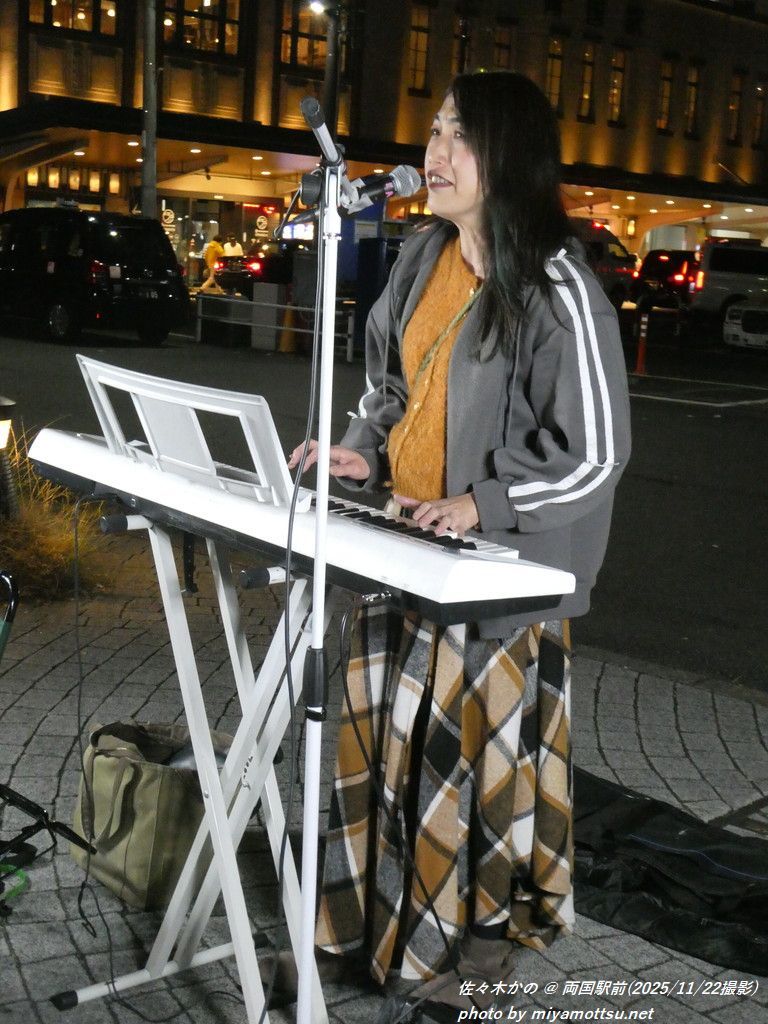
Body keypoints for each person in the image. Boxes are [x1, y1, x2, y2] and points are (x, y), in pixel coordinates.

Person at [288, 70, 631, 1020]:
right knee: (377, 749)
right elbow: (389, 390)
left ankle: (469, 951)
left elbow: (597, 452)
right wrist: (362, 454)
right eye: (435, 130)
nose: (434, 153)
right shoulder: (420, 256)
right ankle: (363, 930)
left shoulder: (558, 286)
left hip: (495, 585)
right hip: (403, 550)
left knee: (466, 775)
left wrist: (483, 504)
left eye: (459, 136)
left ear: (507, 157)